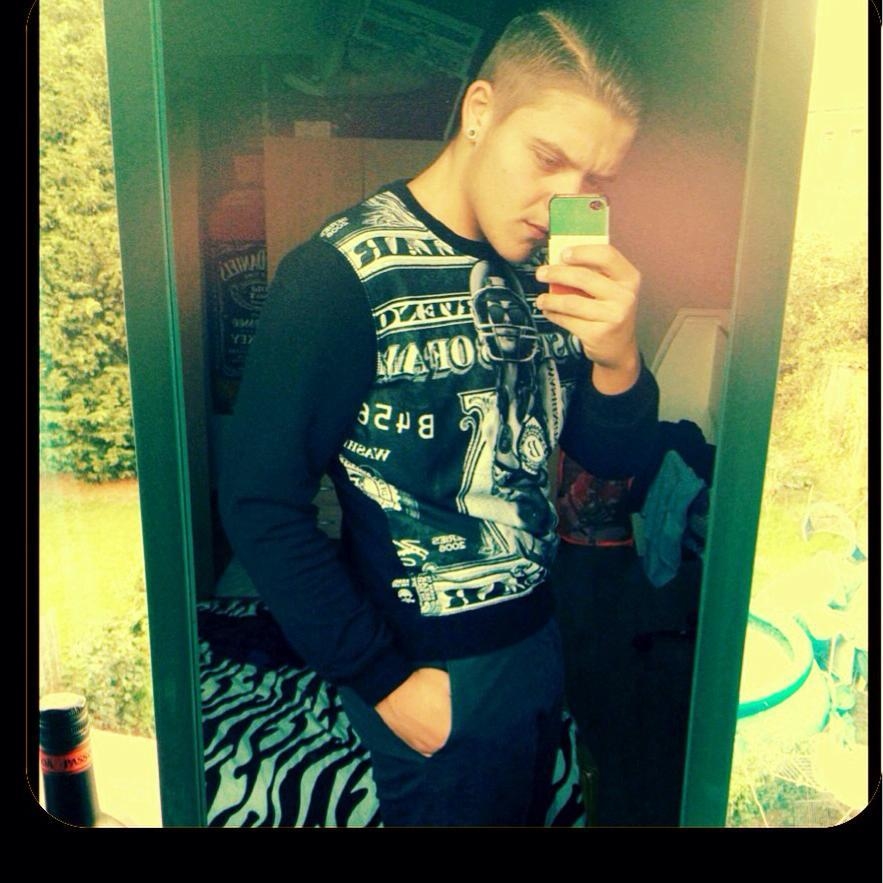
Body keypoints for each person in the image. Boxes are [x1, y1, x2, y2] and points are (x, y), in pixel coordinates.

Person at [220, 5, 659, 826]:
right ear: (480, 110)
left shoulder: (551, 272)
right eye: (548, 157)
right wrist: (383, 681)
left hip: (539, 638)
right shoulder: (338, 275)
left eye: (594, 181)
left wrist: (619, 360)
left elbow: (608, 459)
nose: (563, 201)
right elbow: (257, 501)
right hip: (427, 668)